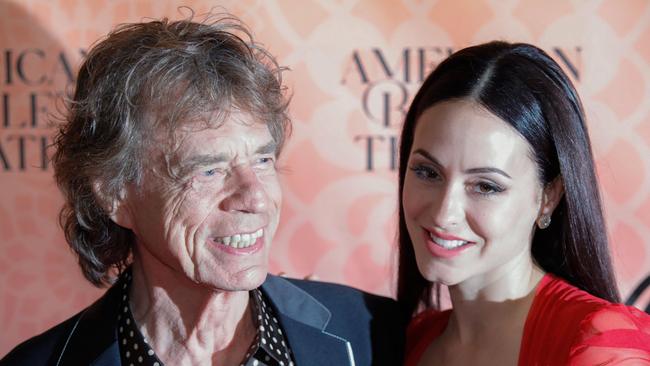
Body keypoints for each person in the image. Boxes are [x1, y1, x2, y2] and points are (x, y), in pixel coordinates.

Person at [0, 14, 405, 366]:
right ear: (114, 194)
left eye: (263, 160)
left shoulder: (371, 332)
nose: (256, 198)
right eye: (209, 170)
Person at [397, 41, 650, 365]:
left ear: (548, 197)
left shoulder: (600, 344)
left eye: (486, 186)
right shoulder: (408, 340)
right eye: (427, 172)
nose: (444, 213)